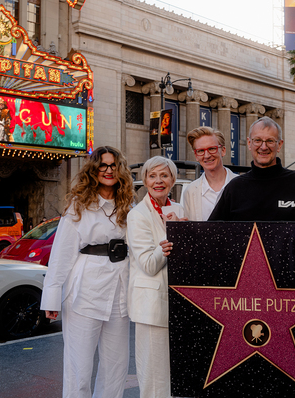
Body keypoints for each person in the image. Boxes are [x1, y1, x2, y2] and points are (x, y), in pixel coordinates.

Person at [41, 146, 134, 398]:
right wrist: (51, 297)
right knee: (79, 368)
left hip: (120, 294)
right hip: (85, 293)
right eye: (102, 165)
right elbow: (61, 255)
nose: (108, 170)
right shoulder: (78, 206)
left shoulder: (128, 204)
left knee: (116, 368)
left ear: (120, 170)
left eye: (113, 165)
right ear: (94, 170)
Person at [127, 156, 186, 397]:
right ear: (145, 181)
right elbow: (149, 265)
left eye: (164, 175)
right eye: (152, 176)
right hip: (151, 306)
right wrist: (173, 238)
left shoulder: (179, 209)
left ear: (173, 179)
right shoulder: (138, 215)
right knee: (154, 377)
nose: (158, 181)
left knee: (174, 374)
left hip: (179, 302)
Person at [208, 117, 295, 221]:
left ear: (279, 145)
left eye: (270, 141)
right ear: (249, 143)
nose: (263, 147)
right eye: (257, 140)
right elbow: (211, 233)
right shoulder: (234, 187)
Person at [181, 127, 238, 221]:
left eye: (212, 149)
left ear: (223, 150)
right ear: (196, 155)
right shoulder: (190, 192)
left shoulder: (242, 186)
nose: (207, 155)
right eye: (201, 151)